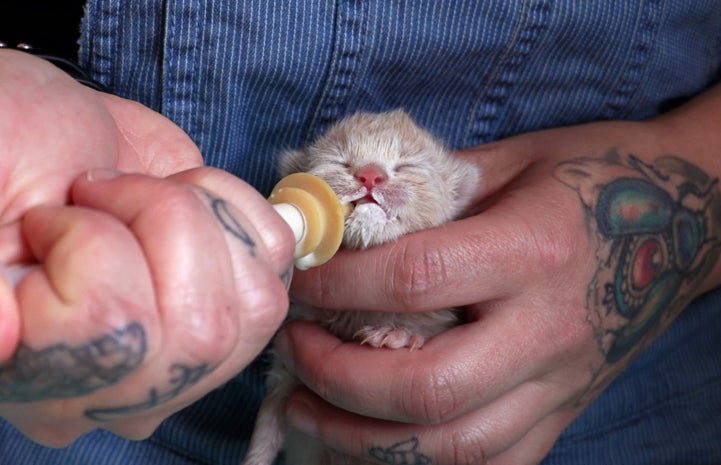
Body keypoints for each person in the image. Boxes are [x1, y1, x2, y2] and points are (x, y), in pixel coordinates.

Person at [0, 1, 720, 464]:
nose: (371, 177)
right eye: (346, 164)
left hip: (601, 385)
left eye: (399, 165)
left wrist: (693, 188)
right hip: (64, 402)